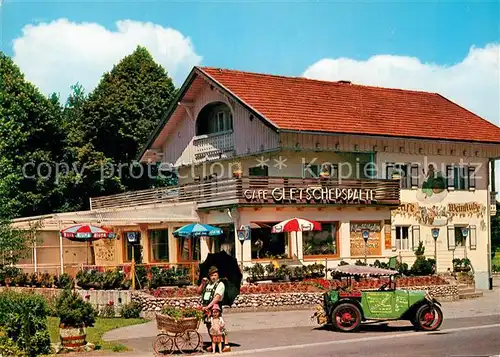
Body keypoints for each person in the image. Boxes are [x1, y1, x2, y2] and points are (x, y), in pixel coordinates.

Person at [197, 266, 231, 352]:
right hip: (206, 307)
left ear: (218, 276)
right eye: (212, 275)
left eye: (215, 275)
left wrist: (208, 307)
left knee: (219, 325)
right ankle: (214, 343)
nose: (213, 277)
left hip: (215, 307)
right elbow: (198, 291)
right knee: (209, 326)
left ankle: (226, 345)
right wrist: (202, 283)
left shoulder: (220, 284)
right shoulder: (207, 284)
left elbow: (217, 297)